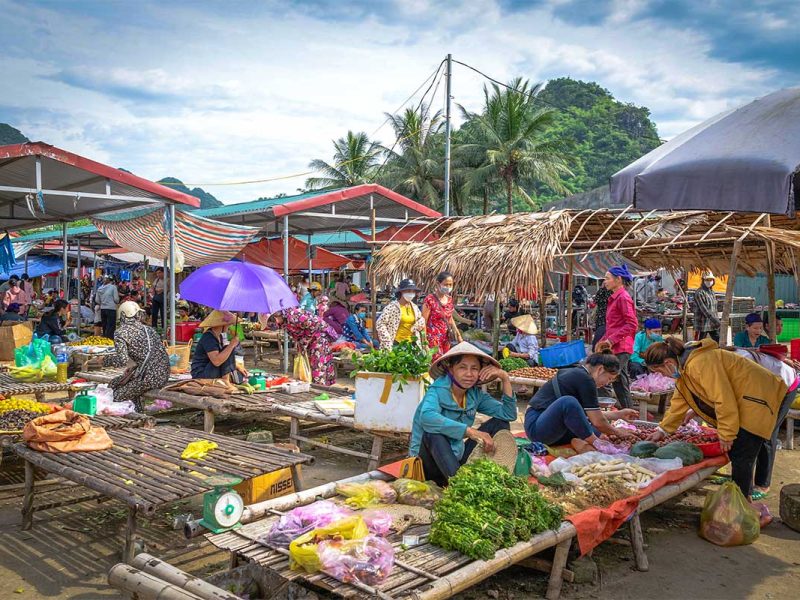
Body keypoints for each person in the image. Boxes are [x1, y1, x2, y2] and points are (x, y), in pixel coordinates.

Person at [643, 337, 788, 500]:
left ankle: (743, 503)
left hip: (765, 394)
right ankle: (741, 497)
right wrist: (662, 429)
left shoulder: (699, 363)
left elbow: (723, 399)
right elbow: (679, 401)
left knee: (742, 452)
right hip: (749, 398)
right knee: (743, 450)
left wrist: (726, 434)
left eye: (659, 371)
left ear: (668, 363)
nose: (661, 376)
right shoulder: (686, 368)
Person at [408, 342, 518, 485]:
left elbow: (508, 414)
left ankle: (487, 473)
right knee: (433, 433)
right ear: (451, 369)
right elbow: (427, 417)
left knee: (500, 423)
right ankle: (460, 485)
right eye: (462, 367)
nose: (469, 374)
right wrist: (470, 432)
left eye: (474, 368)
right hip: (428, 465)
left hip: (455, 459)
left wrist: (505, 378)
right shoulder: (436, 391)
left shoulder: (474, 394)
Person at [728, 346, 798, 499]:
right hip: (764, 389)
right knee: (751, 435)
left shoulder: (739, 361)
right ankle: (744, 480)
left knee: (767, 432)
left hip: (785, 386)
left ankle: (763, 483)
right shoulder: (727, 360)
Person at [104, 301, 171, 412]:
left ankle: (135, 416)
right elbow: (149, 355)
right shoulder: (149, 329)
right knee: (113, 384)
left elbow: (122, 360)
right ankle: (138, 412)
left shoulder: (120, 333)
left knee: (115, 396)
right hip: (162, 374)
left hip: (148, 378)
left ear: (122, 315)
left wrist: (104, 360)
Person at [595, 265, 638, 409]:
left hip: (621, 346)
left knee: (606, 377)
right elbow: (613, 325)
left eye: (607, 278)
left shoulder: (623, 298)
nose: (605, 281)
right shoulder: (615, 297)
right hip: (616, 345)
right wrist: (603, 341)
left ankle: (609, 413)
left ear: (618, 279)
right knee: (620, 381)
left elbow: (632, 324)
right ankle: (627, 413)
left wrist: (611, 340)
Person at [271, 307, 337, 385]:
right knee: (307, 363)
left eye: (274, 319)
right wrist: (301, 344)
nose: (275, 323)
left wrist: (305, 340)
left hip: (318, 335)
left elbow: (314, 324)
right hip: (307, 339)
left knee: (318, 363)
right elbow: (296, 333)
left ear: (280, 315)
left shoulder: (295, 316)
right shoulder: (283, 322)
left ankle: (319, 386)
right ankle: (311, 384)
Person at [191, 310, 247, 381]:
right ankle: (226, 382)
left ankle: (228, 379)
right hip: (201, 373)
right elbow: (216, 361)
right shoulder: (209, 337)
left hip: (212, 370)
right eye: (228, 324)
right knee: (228, 348)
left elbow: (225, 359)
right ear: (222, 325)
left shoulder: (219, 336)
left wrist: (237, 366)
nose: (229, 326)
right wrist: (231, 345)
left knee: (240, 376)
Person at [422, 272, 462, 361]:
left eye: (450, 284)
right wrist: (424, 342)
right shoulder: (430, 300)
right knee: (436, 364)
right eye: (445, 284)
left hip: (446, 338)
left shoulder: (449, 299)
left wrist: (459, 336)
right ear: (438, 284)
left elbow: (450, 318)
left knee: (446, 363)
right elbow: (423, 322)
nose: (448, 287)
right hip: (433, 339)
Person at [376, 279, 426, 349]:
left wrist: (417, 326)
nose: (411, 293)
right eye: (408, 291)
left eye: (413, 291)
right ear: (402, 291)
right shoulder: (392, 307)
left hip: (412, 345)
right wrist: (387, 341)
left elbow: (421, 320)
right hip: (396, 344)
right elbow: (380, 324)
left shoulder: (415, 307)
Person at [693, 272, 720, 342]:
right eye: (707, 280)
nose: (709, 282)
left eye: (711, 280)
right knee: (699, 343)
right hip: (702, 324)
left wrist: (716, 320)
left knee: (719, 341)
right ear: (703, 280)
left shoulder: (711, 292)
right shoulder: (699, 292)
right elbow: (704, 310)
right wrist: (716, 320)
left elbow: (714, 308)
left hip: (712, 324)